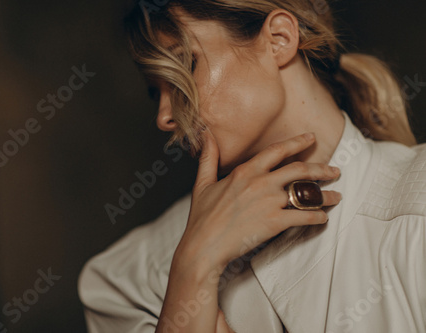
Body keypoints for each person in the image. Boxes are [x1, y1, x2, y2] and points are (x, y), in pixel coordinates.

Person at [79, 1, 426, 332]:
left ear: (279, 39)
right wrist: (193, 266)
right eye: (156, 92)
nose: (164, 117)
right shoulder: (128, 278)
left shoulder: (417, 205)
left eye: (185, 66)